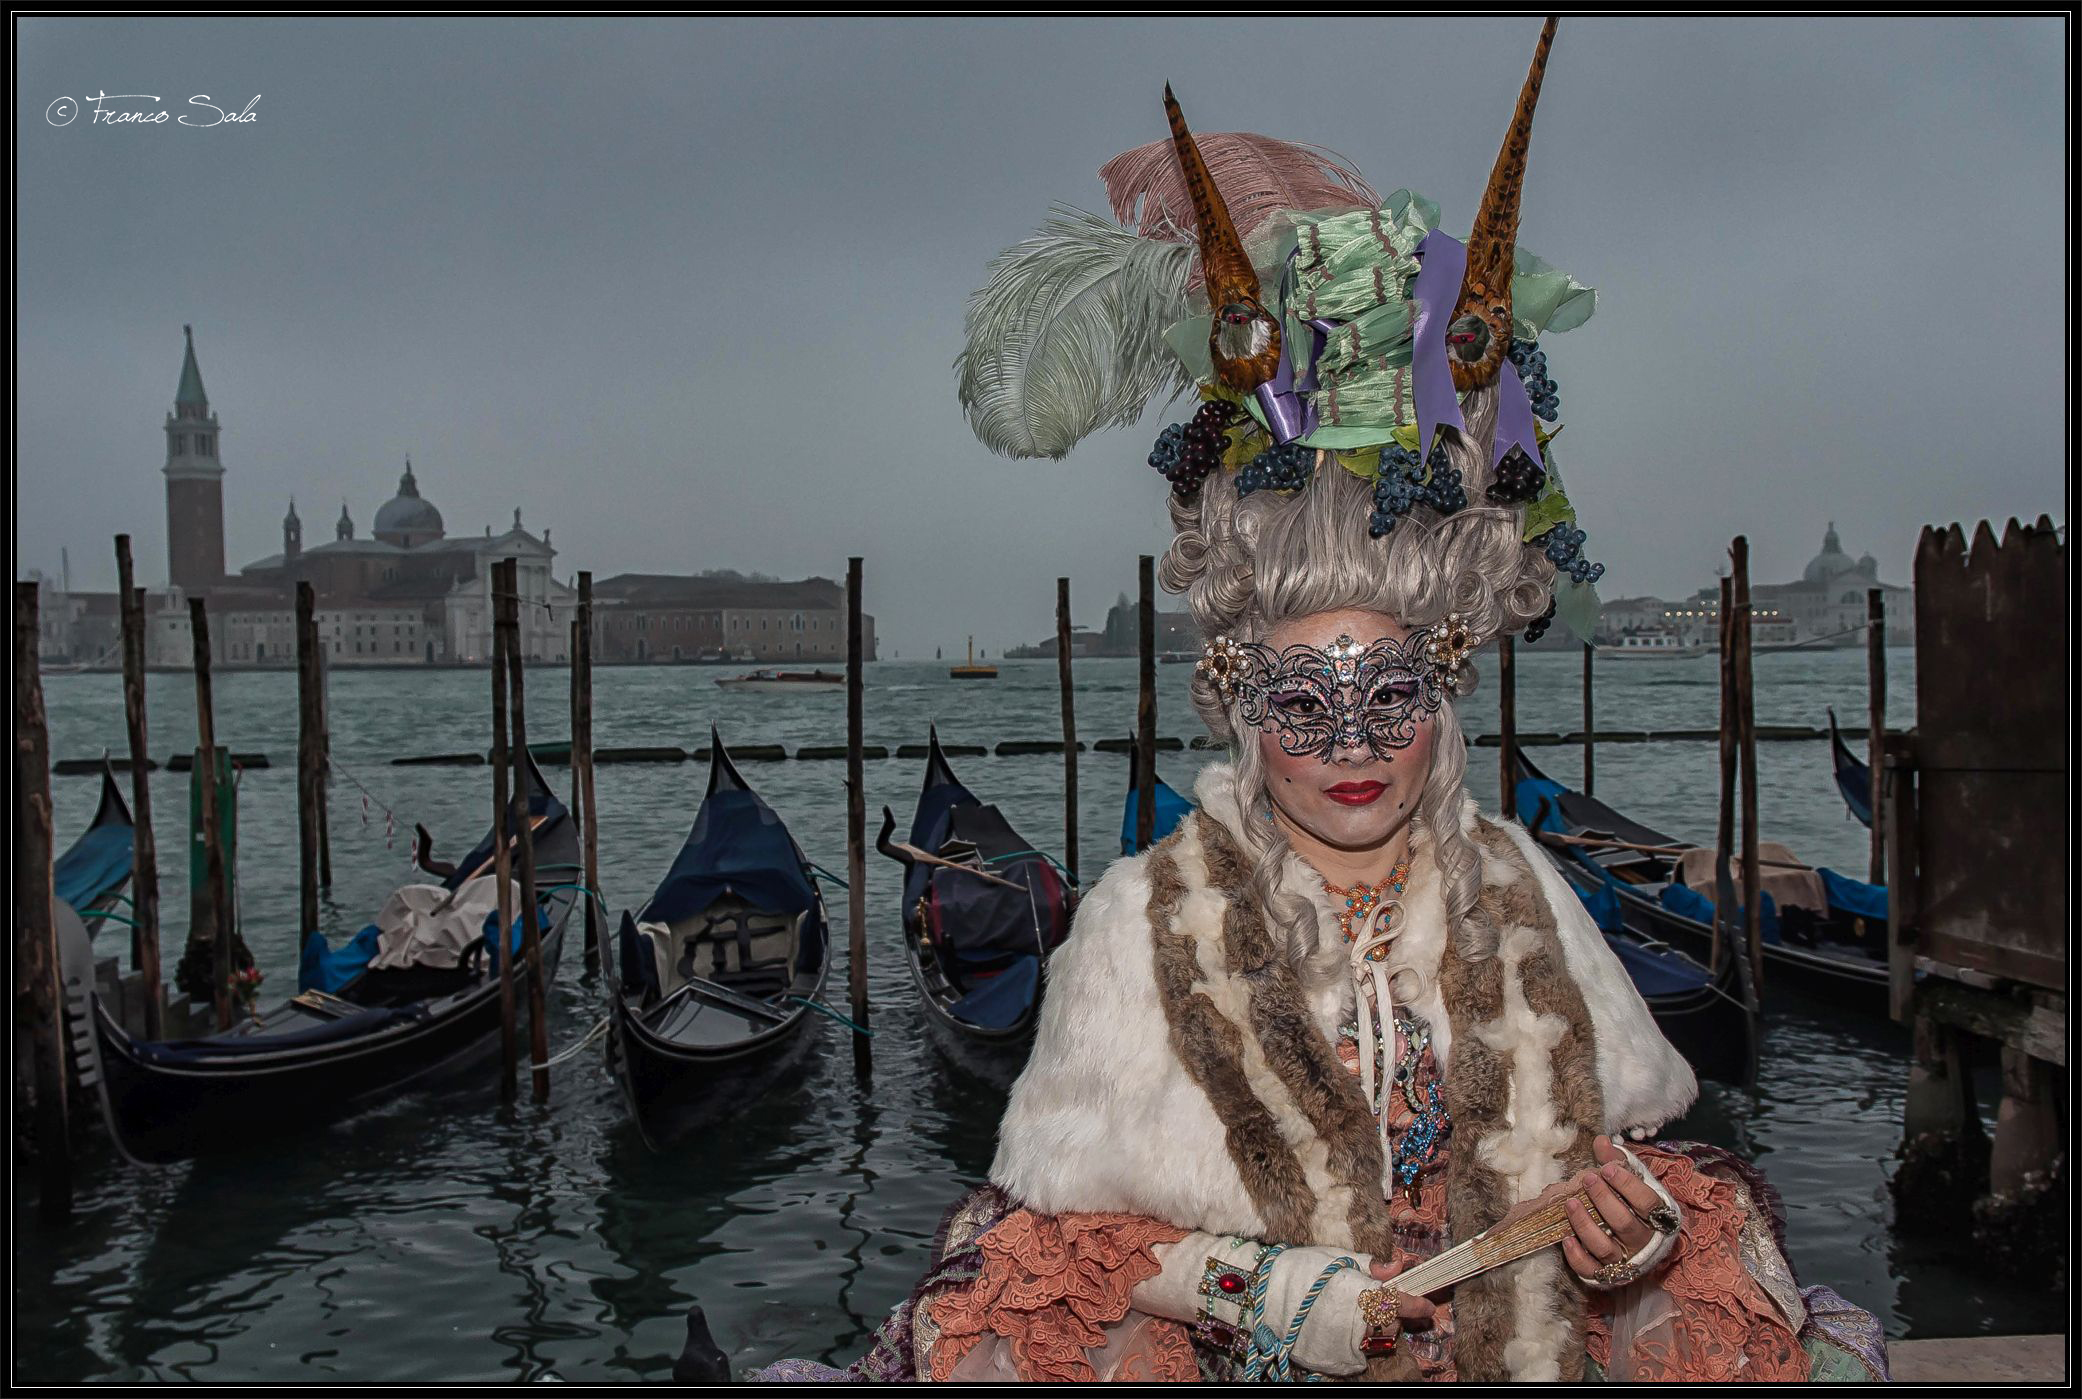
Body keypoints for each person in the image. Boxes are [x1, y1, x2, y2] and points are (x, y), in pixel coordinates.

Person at [756, 16, 1888, 1384]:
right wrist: (1271, 1295)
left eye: (1389, 693)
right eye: (1303, 702)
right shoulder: (1141, 919)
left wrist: (1620, 1238)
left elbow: (1618, 1176)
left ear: (1442, 697)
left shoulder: (1517, 886)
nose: (1352, 744)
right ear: (1242, 700)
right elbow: (1077, 1234)